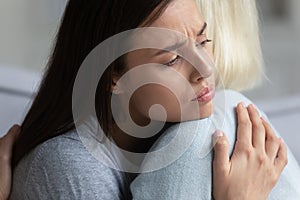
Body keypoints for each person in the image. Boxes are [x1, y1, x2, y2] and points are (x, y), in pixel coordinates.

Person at [0, 0, 297, 199]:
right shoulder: (69, 166)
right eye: (171, 60)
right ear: (114, 76)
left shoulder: (183, 139)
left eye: (202, 41)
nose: (205, 70)